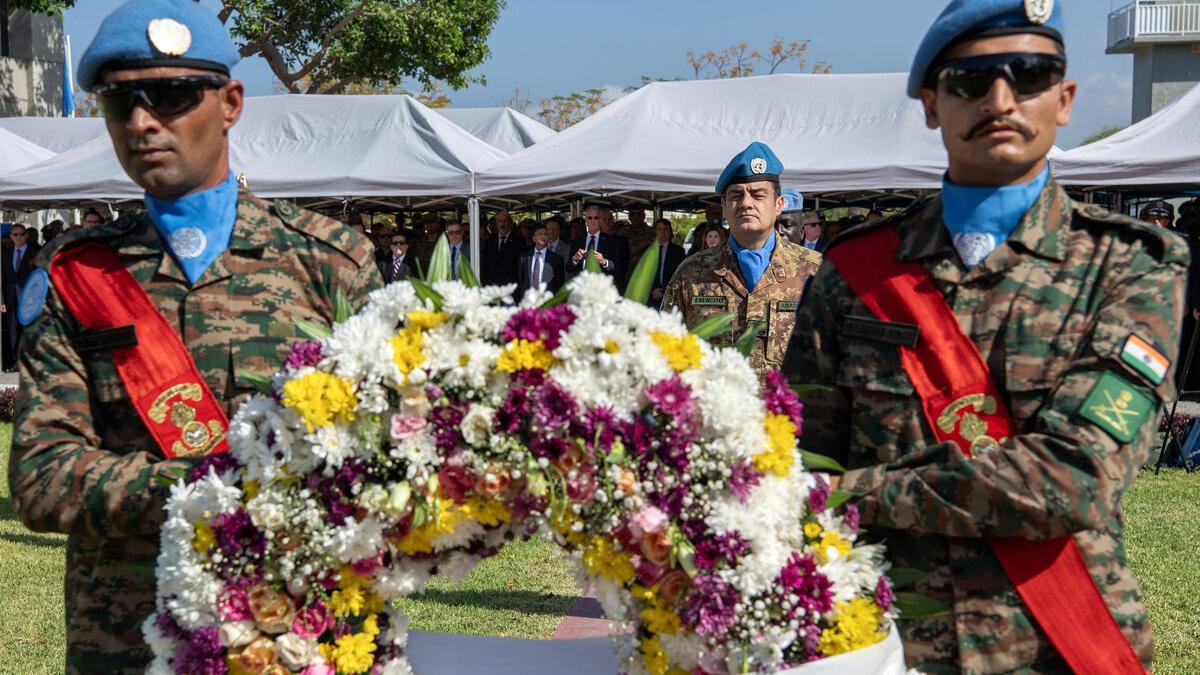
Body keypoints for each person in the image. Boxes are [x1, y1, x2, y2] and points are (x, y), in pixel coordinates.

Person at [784, 2, 1181, 671]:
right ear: (933, 104)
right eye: (970, 81)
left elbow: (1073, 477)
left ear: (1065, 98)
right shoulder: (855, 273)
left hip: (1056, 639)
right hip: (884, 642)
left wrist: (857, 493)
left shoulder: (1131, 262)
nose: (1000, 99)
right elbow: (798, 460)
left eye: (1028, 75)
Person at [6, 2, 383, 672]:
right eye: (121, 102)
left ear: (231, 102)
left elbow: (384, 456)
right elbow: (40, 477)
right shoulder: (75, 274)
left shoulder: (330, 261)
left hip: (297, 636)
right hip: (127, 642)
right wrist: (212, 483)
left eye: (174, 96)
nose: (144, 122)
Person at [662, 142, 821, 379]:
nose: (746, 203)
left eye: (758, 195)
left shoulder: (814, 269)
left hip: (787, 414)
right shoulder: (691, 273)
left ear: (778, 205)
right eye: (736, 196)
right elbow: (665, 351)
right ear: (724, 208)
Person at [2, 224, 41, 370]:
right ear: (11, 236)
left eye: (21, 234)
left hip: (29, 297)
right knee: (13, 329)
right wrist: (1, 299)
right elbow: (3, 278)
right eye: (15, 234)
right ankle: (14, 362)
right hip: (10, 297)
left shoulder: (35, 252)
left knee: (28, 328)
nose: (18, 237)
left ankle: (28, 362)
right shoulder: (6, 253)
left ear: (26, 235)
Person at [567, 205, 625, 284]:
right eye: (590, 218)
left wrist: (604, 262)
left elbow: (619, 267)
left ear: (600, 220)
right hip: (582, 287)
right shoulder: (577, 241)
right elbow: (568, 268)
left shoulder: (612, 240)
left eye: (596, 218)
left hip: (602, 288)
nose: (593, 221)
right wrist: (575, 259)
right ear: (586, 221)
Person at [517, 223, 566, 299]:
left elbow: (559, 283)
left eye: (545, 234)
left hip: (547, 300)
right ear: (534, 238)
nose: (543, 236)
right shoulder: (524, 257)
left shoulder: (556, 258)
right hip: (528, 299)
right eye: (540, 234)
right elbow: (521, 280)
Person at [648, 218, 686, 309]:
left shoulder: (678, 251)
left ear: (670, 232)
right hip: (651, 298)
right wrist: (652, 291)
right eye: (659, 229)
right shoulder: (647, 251)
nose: (662, 232)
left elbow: (681, 274)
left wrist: (667, 291)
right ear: (655, 231)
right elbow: (643, 275)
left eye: (666, 229)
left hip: (671, 297)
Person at [481, 209, 522, 286]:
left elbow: (519, 268)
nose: (502, 224)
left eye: (505, 221)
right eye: (500, 221)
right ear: (496, 223)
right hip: (491, 289)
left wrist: (504, 286)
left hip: (510, 289)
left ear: (510, 222)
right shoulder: (489, 241)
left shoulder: (519, 241)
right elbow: (485, 266)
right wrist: (489, 284)